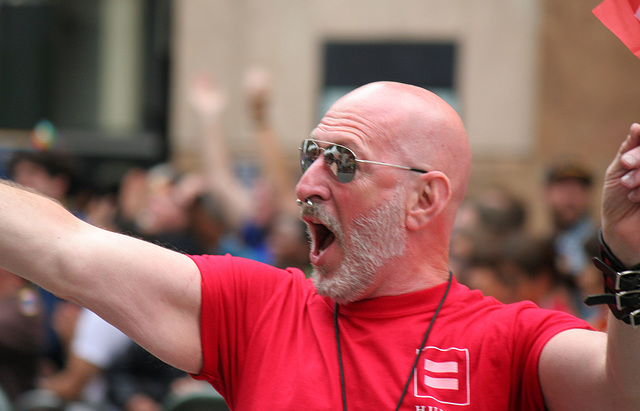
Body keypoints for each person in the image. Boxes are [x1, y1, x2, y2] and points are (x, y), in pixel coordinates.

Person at [0, 82, 639, 410]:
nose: (306, 183)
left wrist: (631, 257)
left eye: (342, 161)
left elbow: (625, 395)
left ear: (425, 199)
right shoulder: (256, 309)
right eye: (311, 154)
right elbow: (65, 249)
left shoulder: (512, 340)